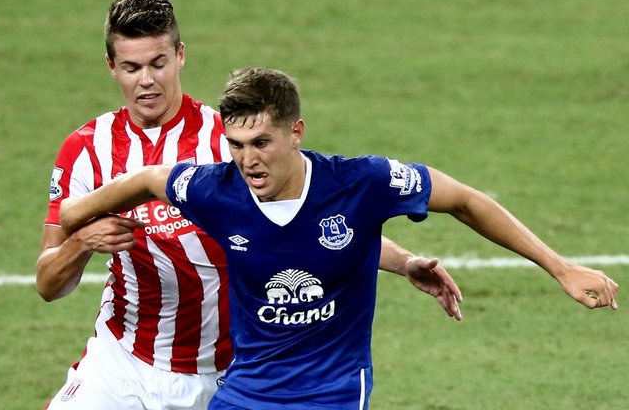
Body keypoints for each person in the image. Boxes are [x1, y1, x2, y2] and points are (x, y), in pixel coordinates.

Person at [59, 66, 620, 410]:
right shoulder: (215, 188)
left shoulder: (362, 183)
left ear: (295, 132)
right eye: (235, 144)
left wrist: (560, 267)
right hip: (243, 394)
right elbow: (151, 179)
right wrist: (76, 215)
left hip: (329, 395)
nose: (248, 161)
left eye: (261, 142)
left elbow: (466, 199)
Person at [37, 0, 464, 410]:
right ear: (112, 67)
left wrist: (404, 261)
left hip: (223, 373)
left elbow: (317, 226)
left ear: (180, 55)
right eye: (131, 67)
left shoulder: (230, 143)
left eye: (158, 63)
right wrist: (80, 244)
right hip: (121, 361)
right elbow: (48, 283)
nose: (146, 80)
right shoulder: (85, 150)